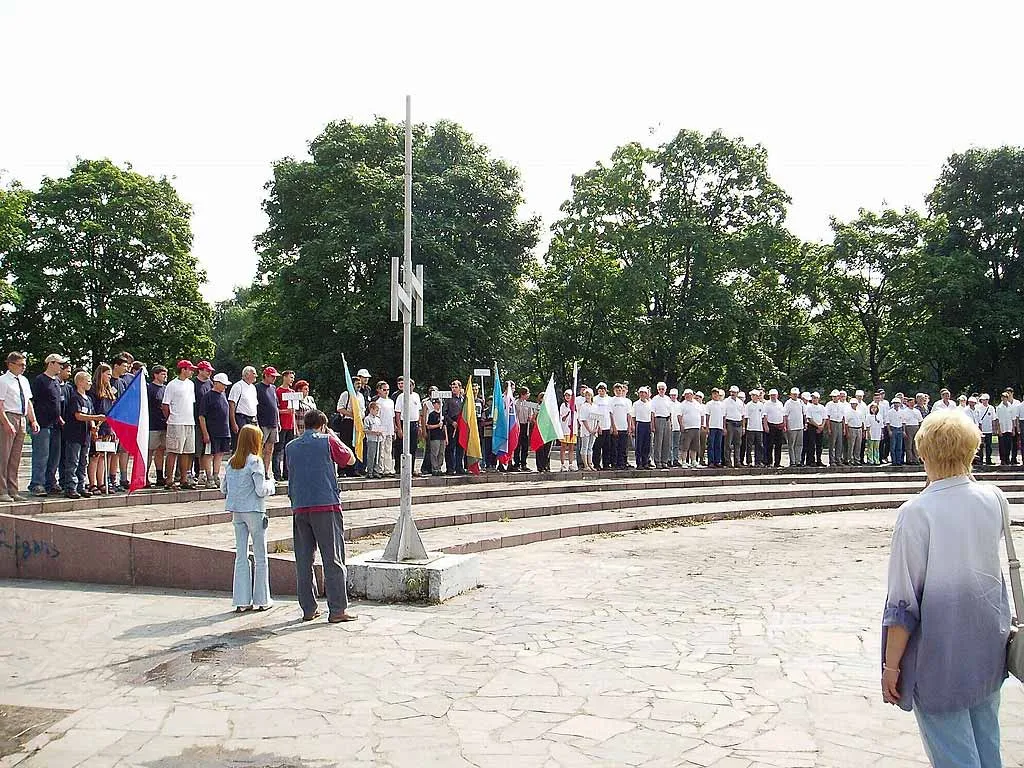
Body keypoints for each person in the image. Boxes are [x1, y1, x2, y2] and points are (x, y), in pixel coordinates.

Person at [881, 409, 1011, 766]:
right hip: (987, 644)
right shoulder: (995, 498)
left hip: (939, 653)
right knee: (988, 743)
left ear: (923, 452)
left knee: (954, 754)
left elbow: (903, 601)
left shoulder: (917, 512)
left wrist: (891, 666)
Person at [285, 410, 357, 623]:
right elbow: (349, 459)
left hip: (300, 505)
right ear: (323, 425)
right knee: (333, 558)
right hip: (325, 504)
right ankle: (337, 609)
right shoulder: (327, 440)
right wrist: (333, 436)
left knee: (304, 560)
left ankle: (308, 609)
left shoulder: (291, 446)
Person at [223, 423, 275, 612]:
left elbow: (223, 488)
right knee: (260, 556)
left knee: (241, 555)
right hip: (254, 510)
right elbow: (260, 490)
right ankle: (262, 599)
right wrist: (271, 485)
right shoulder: (255, 461)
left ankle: (241, 600)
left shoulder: (232, 462)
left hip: (236, 510)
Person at [0, 352, 39, 502]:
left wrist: (33, 420)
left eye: (24, 365)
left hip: (22, 418)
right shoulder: (3, 381)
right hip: (9, 416)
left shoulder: (24, 380)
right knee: (4, 456)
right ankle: (2, 490)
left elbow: (28, 402)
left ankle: (13, 489)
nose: (23, 367)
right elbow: (0, 404)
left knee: (15, 458)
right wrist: (6, 422)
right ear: (10, 364)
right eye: (20, 365)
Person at [62, 370, 104, 498]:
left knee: (83, 462)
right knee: (73, 462)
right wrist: (96, 417)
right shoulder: (75, 398)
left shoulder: (88, 399)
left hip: (85, 436)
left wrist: (93, 426)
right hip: (74, 435)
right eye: (88, 381)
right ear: (80, 382)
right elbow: (78, 415)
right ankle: (70, 487)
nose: (90, 383)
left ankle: (81, 486)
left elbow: (90, 414)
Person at [28, 353, 66, 496]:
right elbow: (33, 401)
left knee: (54, 456)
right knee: (41, 455)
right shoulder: (40, 380)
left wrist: (59, 417)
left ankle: (50, 482)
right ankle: (37, 483)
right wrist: (33, 420)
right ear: (51, 363)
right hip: (43, 423)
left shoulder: (56, 381)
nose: (61, 367)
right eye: (59, 364)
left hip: (55, 424)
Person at [162, 360, 198, 491]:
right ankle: (169, 479)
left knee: (186, 452)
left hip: (189, 421)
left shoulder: (191, 384)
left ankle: (184, 479)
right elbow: (165, 405)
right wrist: (170, 418)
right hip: (176, 422)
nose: (192, 372)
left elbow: (191, 402)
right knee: (173, 451)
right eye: (189, 369)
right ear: (183, 370)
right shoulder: (172, 385)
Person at [198, 372, 232, 488]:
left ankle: (216, 475)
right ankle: (209, 477)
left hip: (223, 431)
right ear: (216, 383)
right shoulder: (208, 396)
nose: (225, 387)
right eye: (223, 384)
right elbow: (202, 416)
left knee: (220, 453)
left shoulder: (223, 395)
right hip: (212, 431)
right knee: (209, 453)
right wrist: (205, 433)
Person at [87, 363, 116, 494]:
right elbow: (91, 409)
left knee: (103, 456)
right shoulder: (93, 390)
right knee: (95, 455)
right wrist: (93, 426)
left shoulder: (109, 390)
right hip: (97, 425)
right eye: (107, 374)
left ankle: (102, 482)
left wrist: (113, 428)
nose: (109, 377)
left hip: (107, 427)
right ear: (101, 374)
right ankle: (92, 483)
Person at [255, 366, 280, 477]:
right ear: (266, 375)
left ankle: (266, 471)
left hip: (273, 422)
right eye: (272, 376)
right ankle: (258, 470)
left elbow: (276, 406)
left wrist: (278, 421)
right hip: (263, 422)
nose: (274, 378)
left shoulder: (273, 388)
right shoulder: (257, 387)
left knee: (270, 448)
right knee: (260, 447)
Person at [394, 378, 422, 476]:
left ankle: (411, 469)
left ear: (413, 386)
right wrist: (399, 428)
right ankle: (399, 468)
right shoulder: (401, 397)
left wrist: (419, 425)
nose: (408, 387)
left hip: (414, 423)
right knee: (401, 447)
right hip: (404, 423)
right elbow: (397, 413)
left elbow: (419, 411)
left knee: (413, 447)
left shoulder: (416, 396)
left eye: (410, 385)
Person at [192, 360, 214, 484]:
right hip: (195, 419)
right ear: (200, 370)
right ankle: (193, 472)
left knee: (206, 449)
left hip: (208, 420)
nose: (209, 372)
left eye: (210, 371)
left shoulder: (210, 383)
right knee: (196, 448)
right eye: (207, 370)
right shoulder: (193, 384)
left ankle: (202, 473)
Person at [147, 365, 169, 487]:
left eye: (166, 374)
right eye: (162, 374)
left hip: (164, 424)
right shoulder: (149, 388)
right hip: (152, 425)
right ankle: (144, 476)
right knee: (150, 451)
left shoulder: (166, 389)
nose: (165, 376)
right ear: (155, 375)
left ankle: (160, 476)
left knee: (161, 450)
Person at [272, 370, 295, 480]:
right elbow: (275, 409)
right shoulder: (278, 391)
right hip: (282, 424)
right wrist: (285, 411)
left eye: (293, 378)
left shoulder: (292, 392)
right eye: (290, 377)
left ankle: (287, 473)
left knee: (288, 449)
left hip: (291, 425)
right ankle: (277, 473)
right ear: (284, 377)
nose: (292, 380)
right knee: (278, 449)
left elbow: (294, 410)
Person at [228, 366, 259, 448]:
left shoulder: (253, 387)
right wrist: (233, 423)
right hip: (241, 419)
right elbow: (231, 404)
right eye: (254, 373)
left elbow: (254, 405)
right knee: (241, 444)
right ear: (247, 374)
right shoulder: (238, 386)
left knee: (252, 444)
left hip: (252, 419)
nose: (256, 375)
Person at [444, 379, 466, 474]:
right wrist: (452, 422)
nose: (454, 389)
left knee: (460, 447)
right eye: (452, 387)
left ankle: (459, 467)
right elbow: (445, 413)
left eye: (456, 387)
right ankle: (450, 468)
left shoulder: (463, 399)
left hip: (461, 426)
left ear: (460, 388)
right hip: (451, 426)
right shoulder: (448, 399)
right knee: (450, 448)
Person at [650, 382, 674, 470]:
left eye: (663, 389)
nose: (661, 390)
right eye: (659, 389)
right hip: (658, 419)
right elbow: (652, 412)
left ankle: (665, 461)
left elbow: (670, 412)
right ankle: (658, 461)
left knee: (666, 442)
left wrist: (670, 422)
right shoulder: (655, 399)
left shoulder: (668, 399)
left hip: (667, 420)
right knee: (658, 442)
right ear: (657, 390)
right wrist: (653, 424)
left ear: (665, 389)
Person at [610, 383, 632, 470]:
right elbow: (611, 414)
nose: (618, 392)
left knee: (623, 447)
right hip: (616, 427)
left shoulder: (626, 401)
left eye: (620, 390)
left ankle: (622, 463)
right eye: (617, 390)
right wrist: (613, 426)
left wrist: (629, 426)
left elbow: (629, 415)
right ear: (614, 391)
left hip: (624, 427)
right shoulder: (611, 400)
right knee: (614, 447)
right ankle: (614, 463)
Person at [577, 388, 599, 471]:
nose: (587, 396)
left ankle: (590, 463)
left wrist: (596, 428)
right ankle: (585, 465)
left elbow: (598, 418)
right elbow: (583, 419)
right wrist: (589, 430)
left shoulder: (595, 406)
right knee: (584, 447)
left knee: (590, 447)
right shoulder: (583, 406)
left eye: (589, 395)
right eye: (586, 395)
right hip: (586, 429)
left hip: (594, 429)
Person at [680, 388, 703, 469]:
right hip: (687, 428)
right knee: (685, 446)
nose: (687, 396)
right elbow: (679, 416)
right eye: (686, 394)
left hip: (696, 427)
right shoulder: (682, 404)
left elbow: (701, 415)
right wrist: (681, 425)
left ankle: (693, 461)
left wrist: (701, 425)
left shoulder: (697, 404)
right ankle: (684, 461)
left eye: (689, 394)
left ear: (692, 395)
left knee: (695, 446)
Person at [722, 385, 745, 469]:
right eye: (731, 392)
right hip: (729, 423)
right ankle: (728, 461)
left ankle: (737, 461)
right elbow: (723, 415)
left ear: (737, 393)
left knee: (738, 444)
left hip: (738, 424)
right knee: (728, 444)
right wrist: (724, 427)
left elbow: (743, 415)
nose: (733, 393)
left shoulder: (740, 402)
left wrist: (743, 427)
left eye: (734, 392)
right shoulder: (726, 401)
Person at [513, 386, 534, 471]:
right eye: (527, 393)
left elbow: (531, 414)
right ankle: (516, 464)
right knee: (517, 446)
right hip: (518, 426)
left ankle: (524, 463)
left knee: (525, 446)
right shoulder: (515, 403)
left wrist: (530, 417)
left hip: (526, 426)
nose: (528, 395)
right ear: (523, 394)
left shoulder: (528, 404)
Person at [743, 389, 766, 468]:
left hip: (759, 428)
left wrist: (764, 426)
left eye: (755, 395)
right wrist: (745, 427)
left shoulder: (761, 405)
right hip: (750, 428)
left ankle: (758, 461)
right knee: (749, 446)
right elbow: (745, 417)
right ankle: (749, 461)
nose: (754, 397)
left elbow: (763, 416)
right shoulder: (748, 405)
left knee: (759, 445)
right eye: (752, 395)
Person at [632, 386, 654, 469]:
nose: (642, 394)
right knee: (639, 444)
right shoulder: (636, 404)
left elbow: (651, 415)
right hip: (639, 423)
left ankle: (645, 462)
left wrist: (652, 425)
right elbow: (633, 416)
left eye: (644, 393)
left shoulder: (650, 403)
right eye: (641, 393)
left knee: (647, 444)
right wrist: (633, 426)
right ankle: (639, 463)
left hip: (647, 424)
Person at [592, 383, 612, 470]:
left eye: (603, 390)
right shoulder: (595, 399)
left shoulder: (609, 399)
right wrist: (598, 426)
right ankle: (596, 464)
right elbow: (594, 413)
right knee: (597, 447)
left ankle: (606, 464)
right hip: (599, 427)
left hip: (607, 425)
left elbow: (610, 413)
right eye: (600, 390)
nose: (601, 391)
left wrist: (611, 426)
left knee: (607, 447)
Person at [783, 387, 805, 468]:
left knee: (799, 444)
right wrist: (785, 425)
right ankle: (792, 461)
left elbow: (803, 413)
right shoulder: (788, 403)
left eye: (796, 394)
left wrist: (805, 423)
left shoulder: (800, 402)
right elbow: (785, 415)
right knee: (791, 445)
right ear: (791, 395)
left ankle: (798, 460)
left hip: (800, 426)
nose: (795, 395)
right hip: (791, 427)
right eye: (793, 394)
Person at [363, 400, 385, 479]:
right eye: (376, 410)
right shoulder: (367, 419)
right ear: (371, 409)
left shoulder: (378, 419)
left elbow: (380, 428)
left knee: (378, 456)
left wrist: (381, 432)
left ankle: (376, 470)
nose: (377, 412)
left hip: (378, 439)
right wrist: (374, 432)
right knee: (371, 456)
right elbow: (365, 430)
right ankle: (370, 471)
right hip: (371, 440)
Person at [763, 389, 785, 468]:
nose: (773, 396)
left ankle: (777, 462)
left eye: (774, 395)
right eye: (771, 395)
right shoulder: (766, 404)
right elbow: (765, 416)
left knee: (779, 445)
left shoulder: (780, 404)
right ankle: (769, 462)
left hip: (779, 426)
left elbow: (783, 415)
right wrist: (766, 426)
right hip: (771, 425)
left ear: (777, 395)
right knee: (769, 445)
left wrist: (784, 425)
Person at [995, 389, 1017, 467]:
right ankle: (1003, 460)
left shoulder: (1011, 407)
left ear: (1007, 398)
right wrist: (999, 430)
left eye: (1006, 397)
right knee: (1002, 446)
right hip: (1002, 429)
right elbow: (997, 419)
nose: (1004, 398)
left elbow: (1013, 418)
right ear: (1001, 398)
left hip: (1009, 428)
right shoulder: (999, 407)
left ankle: (1007, 459)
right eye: (1003, 397)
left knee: (1008, 445)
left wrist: (1013, 429)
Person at [804, 392, 826, 467]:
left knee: (819, 445)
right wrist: (817, 426)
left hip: (820, 426)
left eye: (816, 398)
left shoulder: (822, 407)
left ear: (818, 399)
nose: (814, 399)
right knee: (812, 444)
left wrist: (821, 426)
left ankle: (819, 460)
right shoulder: (809, 407)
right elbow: (809, 419)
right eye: (813, 398)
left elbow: (824, 418)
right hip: (812, 427)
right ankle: (811, 461)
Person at [425, 398, 446, 476]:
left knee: (441, 453)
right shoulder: (432, 414)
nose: (435, 405)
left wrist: (446, 437)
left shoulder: (442, 415)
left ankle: (439, 468)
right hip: (435, 436)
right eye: (434, 404)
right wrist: (437, 425)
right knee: (435, 453)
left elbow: (445, 426)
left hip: (442, 436)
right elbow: (428, 426)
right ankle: (435, 468)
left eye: (436, 404)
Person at [558, 389, 577, 471]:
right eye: (566, 395)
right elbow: (562, 418)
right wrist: (568, 414)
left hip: (573, 430)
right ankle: (562, 464)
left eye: (569, 395)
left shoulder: (575, 405)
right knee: (563, 447)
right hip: (565, 429)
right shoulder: (563, 405)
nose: (567, 397)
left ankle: (571, 464)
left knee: (571, 448)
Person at [975, 394, 995, 465]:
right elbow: (977, 418)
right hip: (981, 430)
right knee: (980, 446)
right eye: (983, 400)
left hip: (989, 429)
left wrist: (994, 428)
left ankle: (988, 459)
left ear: (988, 400)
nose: (984, 401)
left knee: (989, 446)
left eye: (985, 400)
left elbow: (993, 419)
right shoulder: (978, 407)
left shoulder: (991, 408)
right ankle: (980, 460)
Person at [887, 397, 906, 466]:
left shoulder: (902, 412)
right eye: (895, 403)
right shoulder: (890, 412)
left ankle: (899, 461)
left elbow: (903, 422)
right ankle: (894, 461)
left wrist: (904, 431)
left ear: (900, 404)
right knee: (893, 447)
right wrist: (889, 431)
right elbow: (888, 422)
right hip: (893, 429)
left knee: (899, 447)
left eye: (897, 403)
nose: (896, 404)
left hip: (900, 429)